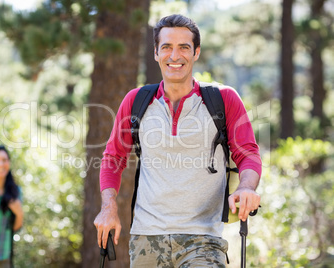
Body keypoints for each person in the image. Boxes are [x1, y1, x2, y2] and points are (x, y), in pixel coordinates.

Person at [94, 14, 262, 267]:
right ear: (155, 53)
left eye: (184, 47)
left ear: (196, 53)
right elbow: (113, 157)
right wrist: (108, 206)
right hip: (146, 237)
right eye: (167, 47)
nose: (175, 56)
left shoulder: (224, 99)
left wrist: (246, 186)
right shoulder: (136, 101)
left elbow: (247, 153)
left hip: (203, 238)